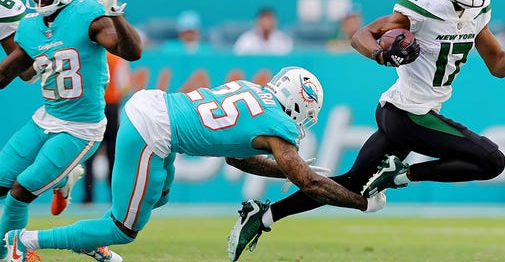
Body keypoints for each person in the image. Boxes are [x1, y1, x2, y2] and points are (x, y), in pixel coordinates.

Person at [227, 0, 505, 261]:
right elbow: (360, 35)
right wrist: (381, 53)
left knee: (352, 185)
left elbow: (497, 66)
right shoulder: (423, 6)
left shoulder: (478, 10)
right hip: (407, 114)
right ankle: (400, 175)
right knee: (492, 160)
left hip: (409, 114)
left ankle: (262, 216)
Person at [5, 67, 386, 262]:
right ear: (300, 105)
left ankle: (91, 236)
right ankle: (22, 241)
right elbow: (312, 187)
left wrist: (292, 171)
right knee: (124, 228)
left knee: (161, 196)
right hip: (153, 131)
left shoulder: (253, 90)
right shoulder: (278, 124)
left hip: (156, 110)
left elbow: (239, 157)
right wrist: (361, 200)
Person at [0, 0, 142, 262]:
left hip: (81, 127)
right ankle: (61, 181)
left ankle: (13, 254)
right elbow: (8, 73)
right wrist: (30, 67)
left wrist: (116, 15)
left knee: (19, 193)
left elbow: (132, 52)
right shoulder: (31, 25)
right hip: (45, 118)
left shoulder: (89, 14)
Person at [82, 52, 132, 204]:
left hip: (93, 106)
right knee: (112, 154)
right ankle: (113, 196)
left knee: (89, 152)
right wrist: (115, 96)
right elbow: (126, 86)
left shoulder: (89, 56)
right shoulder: (117, 59)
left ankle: (88, 196)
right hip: (110, 106)